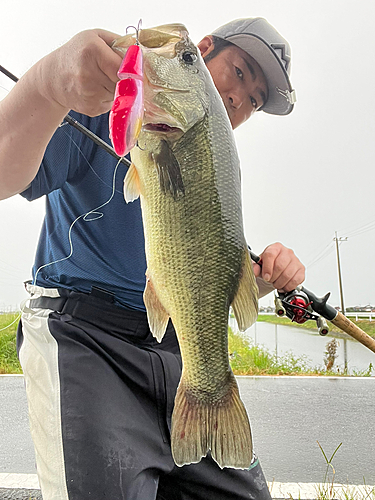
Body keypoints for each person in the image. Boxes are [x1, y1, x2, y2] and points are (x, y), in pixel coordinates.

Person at [0, 17, 305, 500]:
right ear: (204, 51)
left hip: (176, 352)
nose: (239, 99)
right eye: (241, 72)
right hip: (86, 339)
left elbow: (197, 276)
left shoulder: (217, 166)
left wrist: (266, 277)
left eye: (254, 100)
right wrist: (51, 82)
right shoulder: (100, 107)